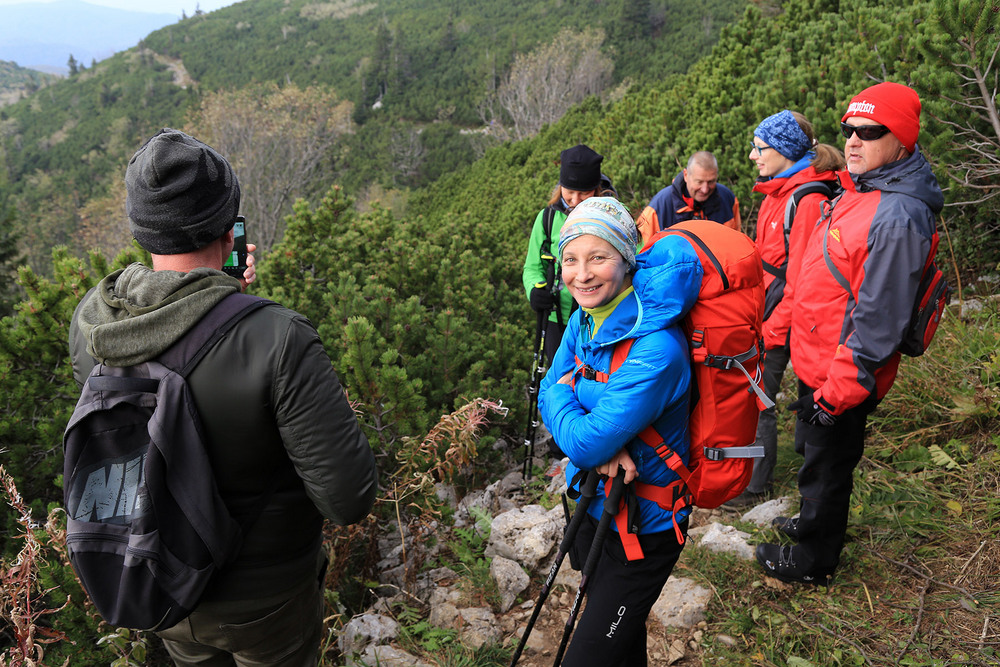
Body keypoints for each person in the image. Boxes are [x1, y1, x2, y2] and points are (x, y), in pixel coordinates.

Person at [68, 128, 379, 666]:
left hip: (163, 583)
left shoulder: (93, 326)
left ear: (143, 228)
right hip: (265, 602)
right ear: (226, 228)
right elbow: (347, 499)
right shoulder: (278, 338)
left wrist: (224, 301)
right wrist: (234, 306)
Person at [756, 82, 944, 584]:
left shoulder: (899, 215)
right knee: (813, 453)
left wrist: (837, 392)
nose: (854, 140)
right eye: (848, 129)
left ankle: (814, 562)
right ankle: (810, 522)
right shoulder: (862, 189)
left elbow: (880, 319)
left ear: (901, 140)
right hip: (818, 359)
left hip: (844, 374)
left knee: (829, 466)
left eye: (870, 131)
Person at [538, 197, 703, 665]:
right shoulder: (584, 318)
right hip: (595, 505)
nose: (581, 274)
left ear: (627, 260)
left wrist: (581, 417)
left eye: (598, 257)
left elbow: (581, 436)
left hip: (644, 530)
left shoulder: (658, 349)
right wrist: (597, 443)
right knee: (621, 644)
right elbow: (547, 389)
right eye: (571, 259)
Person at [724, 110, 844, 508]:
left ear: (785, 150)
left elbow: (804, 280)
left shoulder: (805, 200)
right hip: (772, 308)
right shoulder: (778, 192)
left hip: (789, 316)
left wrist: (773, 328)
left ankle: (754, 488)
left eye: (760, 148)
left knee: (757, 397)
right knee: (766, 395)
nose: (753, 156)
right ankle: (795, 467)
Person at [522, 144, 614, 366]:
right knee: (562, 375)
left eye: (584, 192)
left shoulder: (613, 217)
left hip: (602, 314)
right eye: (569, 191)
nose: (575, 199)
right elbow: (532, 266)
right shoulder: (547, 219)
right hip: (556, 318)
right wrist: (534, 290)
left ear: (596, 188)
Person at [635, 151, 742, 247]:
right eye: (699, 182)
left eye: (711, 182)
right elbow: (639, 252)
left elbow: (737, 244)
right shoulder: (659, 208)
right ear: (686, 175)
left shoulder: (727, 199)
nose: (705, 189)